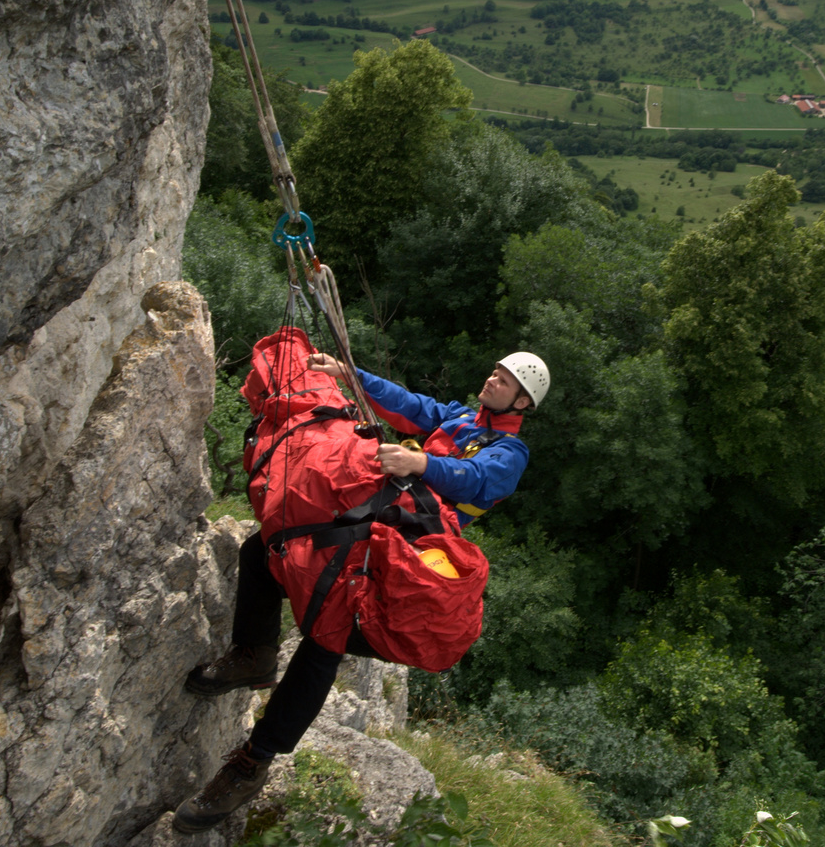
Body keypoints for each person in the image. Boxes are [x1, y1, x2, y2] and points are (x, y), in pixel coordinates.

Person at [171, 350, 550, 834]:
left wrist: (420, 461)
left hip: (415, 543)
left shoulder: (509, 453)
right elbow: (409, 406)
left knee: (325, 634)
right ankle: (255, 653)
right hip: (386, 513)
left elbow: (474, 479)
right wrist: (349, 374)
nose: (492, 378)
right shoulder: (459, 417)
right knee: (267, 546)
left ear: (521, 401)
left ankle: (252, 763)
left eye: (505, 379)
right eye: (496, 371)